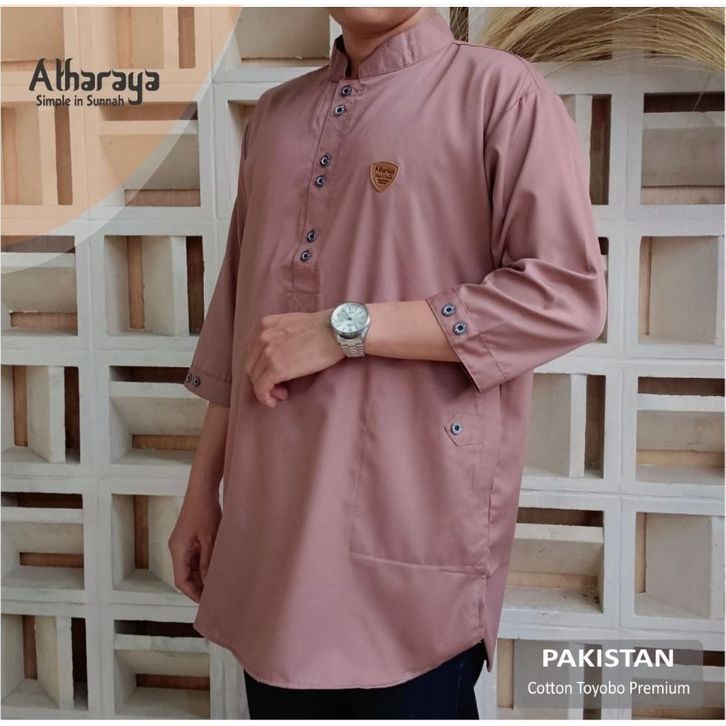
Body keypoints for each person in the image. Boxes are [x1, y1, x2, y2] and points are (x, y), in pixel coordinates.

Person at [168, 5, 607, 719]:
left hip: (405, 526)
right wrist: (201, 491)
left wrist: (347, 328)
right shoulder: (276, 116)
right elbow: (238, 322)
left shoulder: (499, 93)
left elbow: (565, 295)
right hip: (268, 527)